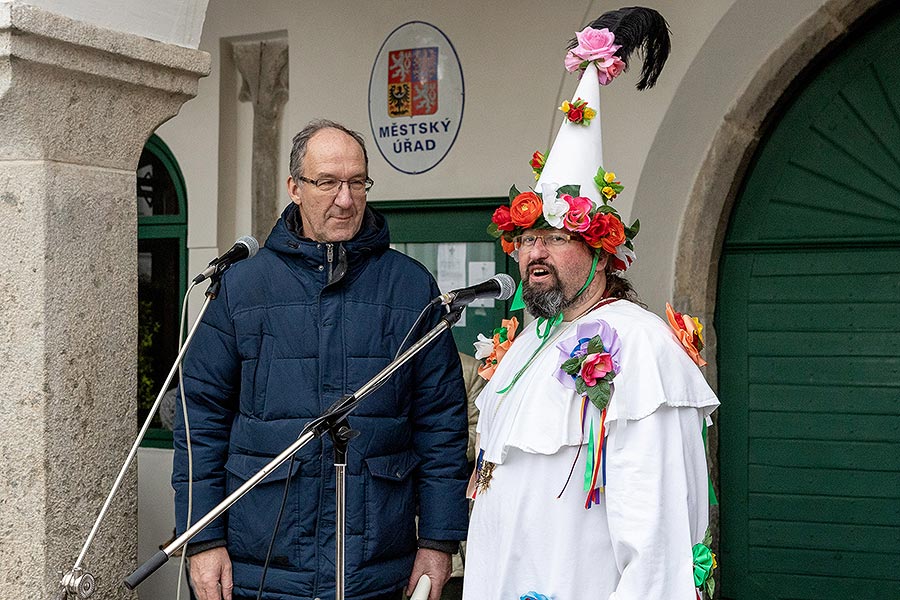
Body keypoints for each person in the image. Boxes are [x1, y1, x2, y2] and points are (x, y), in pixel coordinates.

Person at [462, 9, 720, 600]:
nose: (534, 253)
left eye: (555, 237)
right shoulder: (527, 340)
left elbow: (656, 542)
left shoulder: (640, 345)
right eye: (528, 239)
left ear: (602, 253)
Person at [172, 119, 469, 600]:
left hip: (377, 565)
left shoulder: (412, 286)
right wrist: (201, 537)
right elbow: (198, 420)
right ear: (294, 187)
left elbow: (442, 425)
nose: (346, 198)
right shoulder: (241, 288)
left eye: (357, 182)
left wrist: (438, 541)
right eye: (327, 182)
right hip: (263, 561)